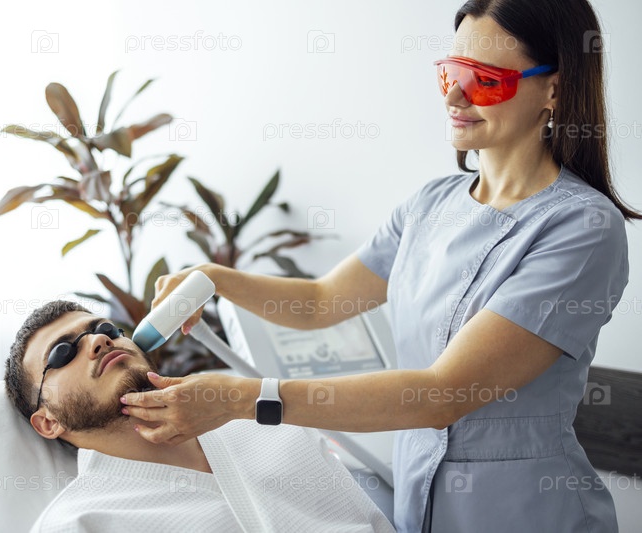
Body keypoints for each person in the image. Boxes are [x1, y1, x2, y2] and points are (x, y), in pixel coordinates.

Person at [120, 1, 639, 531]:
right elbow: (321, 303)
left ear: (554, 89)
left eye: (485, 80)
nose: (454, 97)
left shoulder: (582, 227)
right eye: (451, 73)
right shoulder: (430, 205)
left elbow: (443, 394)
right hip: (420, 503)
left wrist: (242, 400)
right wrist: (215, 279)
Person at [3, 301, 395, 533]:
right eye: (62, 353)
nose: (98, 340)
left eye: (106, 328)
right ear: (48, 422)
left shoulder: (261, 419)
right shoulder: (79, 524)